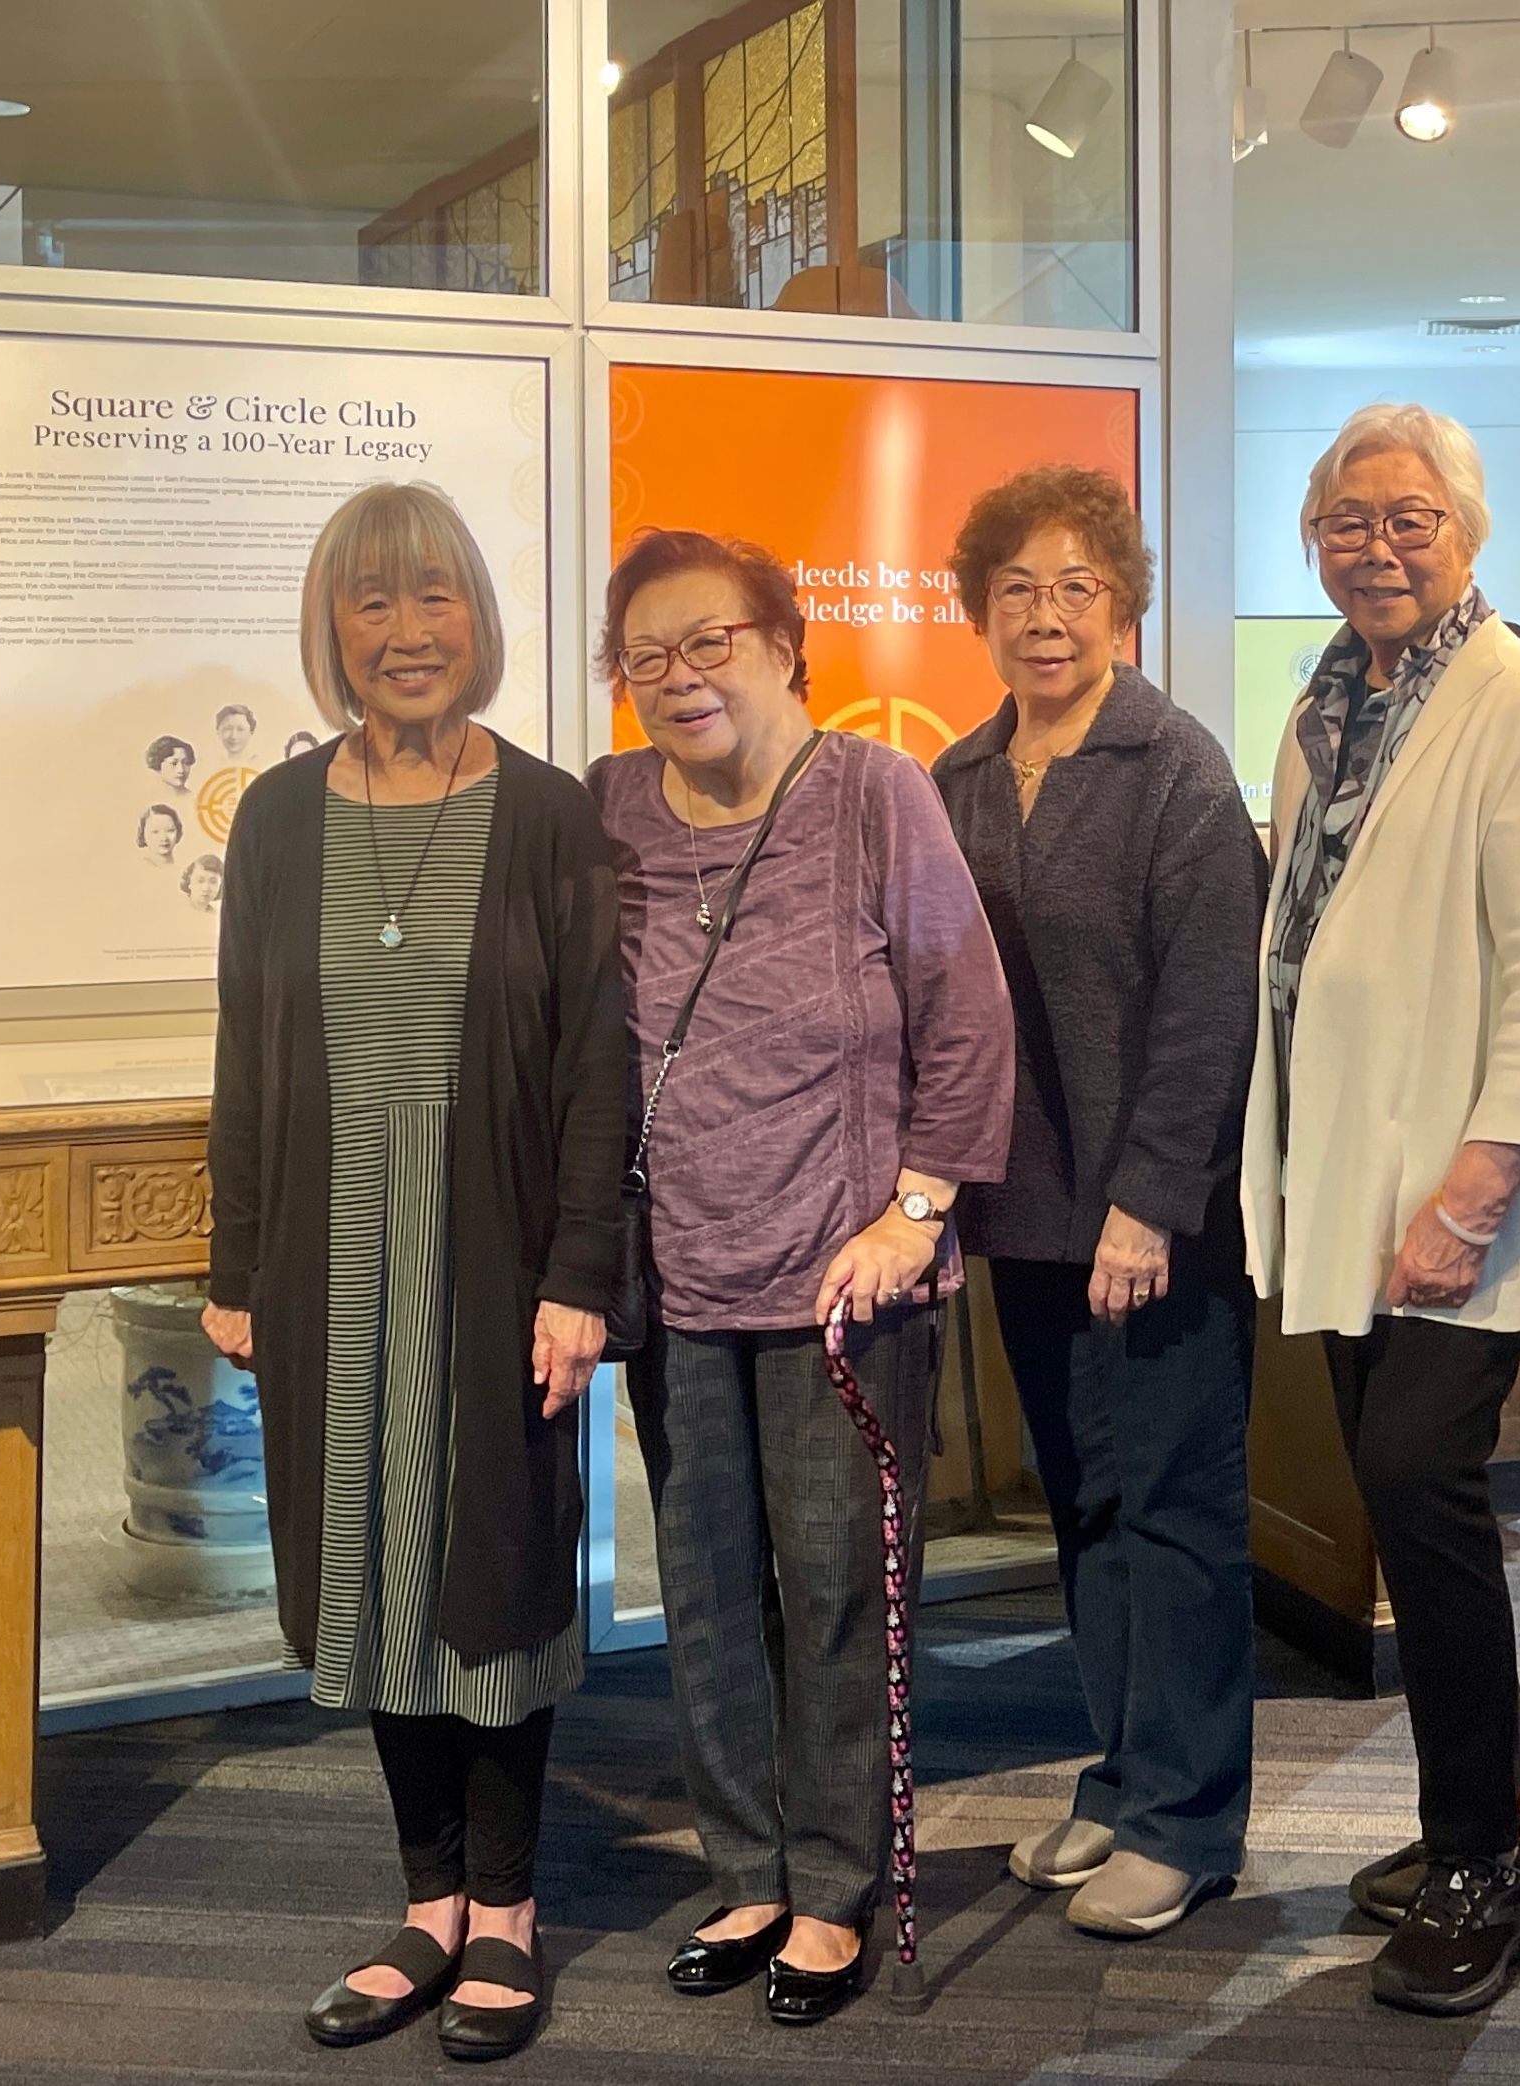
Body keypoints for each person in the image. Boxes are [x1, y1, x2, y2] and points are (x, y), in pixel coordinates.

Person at [204, 481, 631, 2066]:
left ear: (479, 621)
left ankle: (510, 1909)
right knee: (371, 1565)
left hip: (496, 1253)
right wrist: (233, 1257)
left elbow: (599, 1064)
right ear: (332, 629)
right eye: (373, 603)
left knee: (495, 1566)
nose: (406, 632)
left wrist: (581, 1269)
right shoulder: (276, 814)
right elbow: (245, 1048)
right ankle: (428, 1896)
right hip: (329, 1251)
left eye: (435, 598)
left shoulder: (548, 812)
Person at [591, 528, 1015, 2030]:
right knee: (704, 1592)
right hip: (674, 1271)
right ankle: (746, 1865)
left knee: (836, 1586)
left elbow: (965, 1010)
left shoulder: (871, 795)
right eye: (647, 655)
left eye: (711, 641)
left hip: (842, 1273)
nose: (680, 677)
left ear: (782, 643)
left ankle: (836, 1883)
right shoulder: (610, 808)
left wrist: (918, 1207)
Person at [1244, 402, 1520, 2017]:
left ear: (1466, 534)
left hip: (1461, 1191)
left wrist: (1473, 1194)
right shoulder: (1324, 707)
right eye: (1344, 519)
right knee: (1399, 1496)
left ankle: (1478, 1859)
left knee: (1417, 1482)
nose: (1373, 546)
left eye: (1408, 519)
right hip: (1344, 1178)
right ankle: (1518, 1793)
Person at [928, 467, 1267, 1941]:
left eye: (1073, 586)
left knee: (1178, 1509)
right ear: (978, 613)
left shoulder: (1174, 767)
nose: (1044, 615)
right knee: (1086, 1508)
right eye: (1015, 590)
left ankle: (1189, 1821)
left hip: (1154, 1223)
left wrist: (1150, 1204)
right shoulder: (955, 774)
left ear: (1119, 600)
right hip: (1028, 1214)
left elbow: (1209, 1012)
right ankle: (1124, 1770)